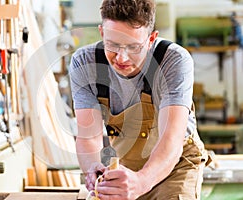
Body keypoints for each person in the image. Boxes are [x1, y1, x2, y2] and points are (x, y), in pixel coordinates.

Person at [69, 0, 210, 199]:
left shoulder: (173, 61)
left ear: (152, 38)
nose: (121, 58)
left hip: (176, 166)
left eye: (134, 47)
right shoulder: (84, 63)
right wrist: (92, 168)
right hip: (127, 165)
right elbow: (88, 137)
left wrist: (142, 182)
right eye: (113, 45)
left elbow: (171, 139)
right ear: (102, 33)